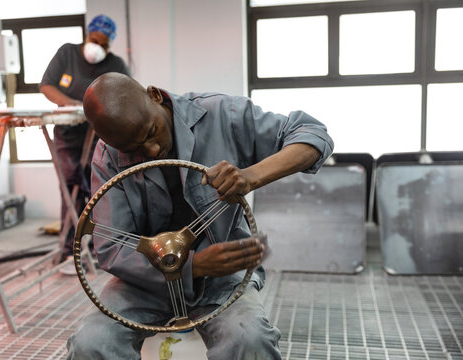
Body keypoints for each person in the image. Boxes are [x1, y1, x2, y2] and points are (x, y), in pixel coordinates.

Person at [66, 72, 334, 359]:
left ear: (155, 95)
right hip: (144, 283)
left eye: (151, 133)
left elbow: (313, 134)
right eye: (134, 150)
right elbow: (112, 246)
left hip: (223, 279)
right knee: (92, 343)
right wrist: (193, 266)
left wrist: (251, 176)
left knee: (249, 339)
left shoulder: (221, 115)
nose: (153, 150)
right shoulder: (107, 156)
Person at [40, 14, 130, 268]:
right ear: (87, 35)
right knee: (71, 187)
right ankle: (70, 247)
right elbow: (46, 85)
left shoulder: (115, 64)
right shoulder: (67, 54)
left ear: (110, 45)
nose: (98, 48)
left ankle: (98, 247)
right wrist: (75, 106)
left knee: (97, 189)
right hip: (67, 134)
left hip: (99, 136)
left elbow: (127, 95)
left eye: (104, 44)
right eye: (94, 41)